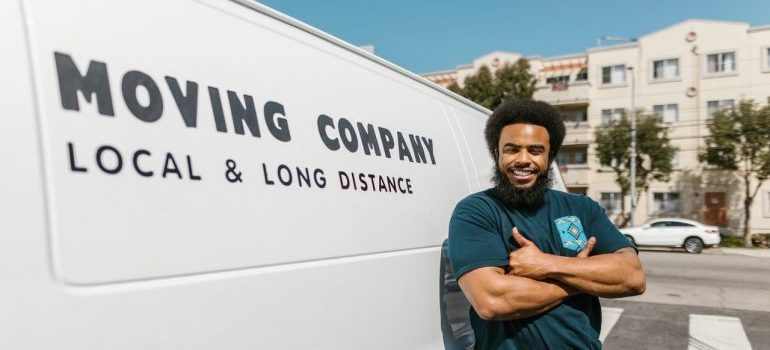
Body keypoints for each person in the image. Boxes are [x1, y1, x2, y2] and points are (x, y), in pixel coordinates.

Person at [447, 99, 646, 349]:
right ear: (496, 153)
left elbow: (632, 276)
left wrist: (546, 264)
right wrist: (578, 276)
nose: (523, 159)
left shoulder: (582, 208)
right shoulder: (477, 211)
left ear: (549, 156)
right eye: (512, 149)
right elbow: (492, 300)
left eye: (535, 150)